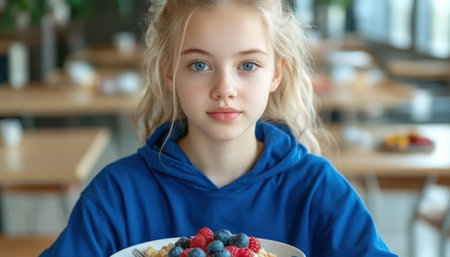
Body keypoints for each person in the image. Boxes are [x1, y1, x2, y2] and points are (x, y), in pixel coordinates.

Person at [40, 0, 397, 256]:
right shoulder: (117, 195)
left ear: (276, 73)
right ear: (169, 72)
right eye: (199, 65)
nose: (224, 87)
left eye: (248, 65)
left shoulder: (318, 190)